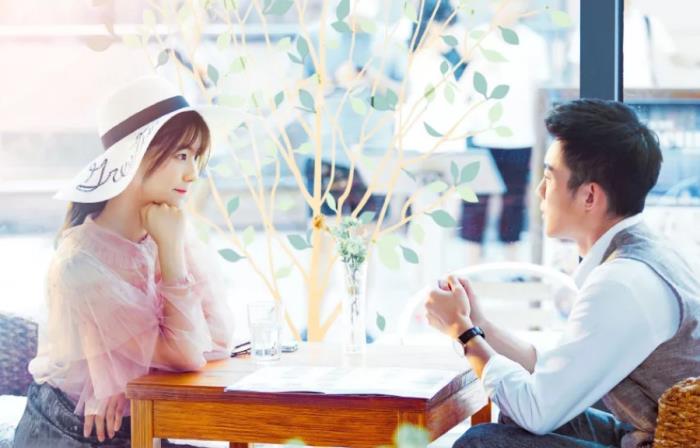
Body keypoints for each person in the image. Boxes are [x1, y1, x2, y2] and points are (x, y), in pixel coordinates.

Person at [425, 99, 700, 447]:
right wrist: (479, 324)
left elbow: (537, 410)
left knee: (484, 442)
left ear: (589, 196)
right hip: (643, 432)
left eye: (549, 178)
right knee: (514, 411)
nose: (539, 191)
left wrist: (464, 333)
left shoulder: (623, 283)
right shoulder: (644, 253)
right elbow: (555, 373)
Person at [13, 76, 236, 447]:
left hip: (137, 425)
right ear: (136, 157)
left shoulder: (167, 231)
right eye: (182, 156)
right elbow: (186, 355)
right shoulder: (81, 264)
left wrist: (125, 380)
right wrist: (171, 254)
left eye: (196, 158)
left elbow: (219, 337)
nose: (193, 173)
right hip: (74, 434)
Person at [459, 0, 550, 264]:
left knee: (515, 200)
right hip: (480, 133)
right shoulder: (476, 37)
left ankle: (512, 263)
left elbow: (540, 96)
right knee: (475, 199)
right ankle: (471, 264)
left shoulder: (534, 43)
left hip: (520, 135)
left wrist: (540, 136)